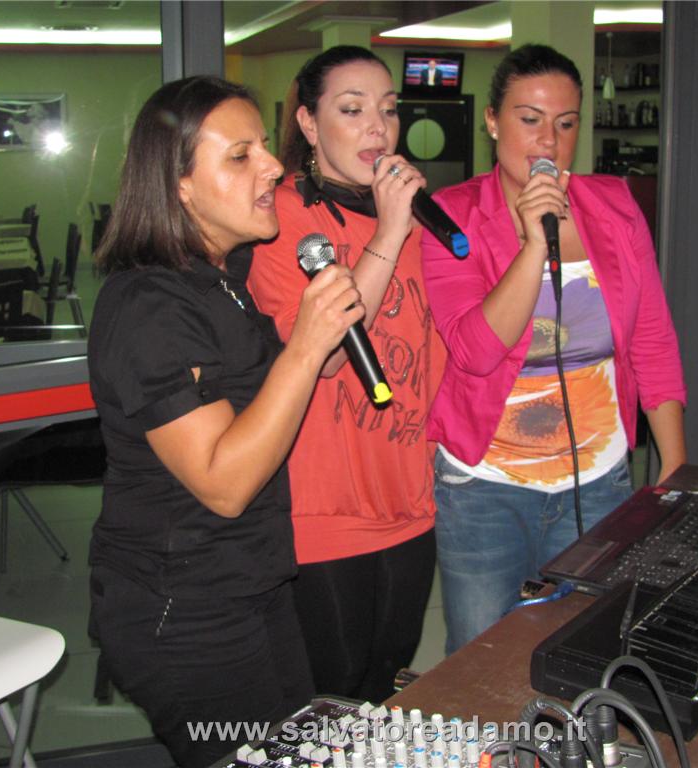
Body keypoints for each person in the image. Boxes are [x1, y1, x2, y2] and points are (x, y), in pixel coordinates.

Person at [87, 76, 363, 767]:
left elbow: (273, 395)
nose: (272, 166)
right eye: (241, 156)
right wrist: (304, 347)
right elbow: (224, 482)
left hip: (250, 579)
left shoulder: (222, 280)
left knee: (298, 751)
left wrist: (323, 338)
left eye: (264, 146)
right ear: (179, 185)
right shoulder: (148, 306)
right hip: (182, 609)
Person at [421, 44, 687, 654]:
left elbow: (651, 339)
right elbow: (475, 351)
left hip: (598, 481)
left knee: (584, 656)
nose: (549, 141)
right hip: (485, 489)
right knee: (481, 663)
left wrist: (673, 473)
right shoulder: (451, 216)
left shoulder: (615, 206)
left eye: (566, 124)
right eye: (530, 119)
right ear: (492, 121)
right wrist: (535, 245)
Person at [248, 45, 443, 702]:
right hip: (325, 504)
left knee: (386, 688)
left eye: (388, 110)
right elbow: (327, 355)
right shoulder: (281, 218)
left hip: (408, 496)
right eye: (352, 110)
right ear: (308, 123)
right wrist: (388, 233)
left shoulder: (413, 215)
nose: (377, 129)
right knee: (332, 698)